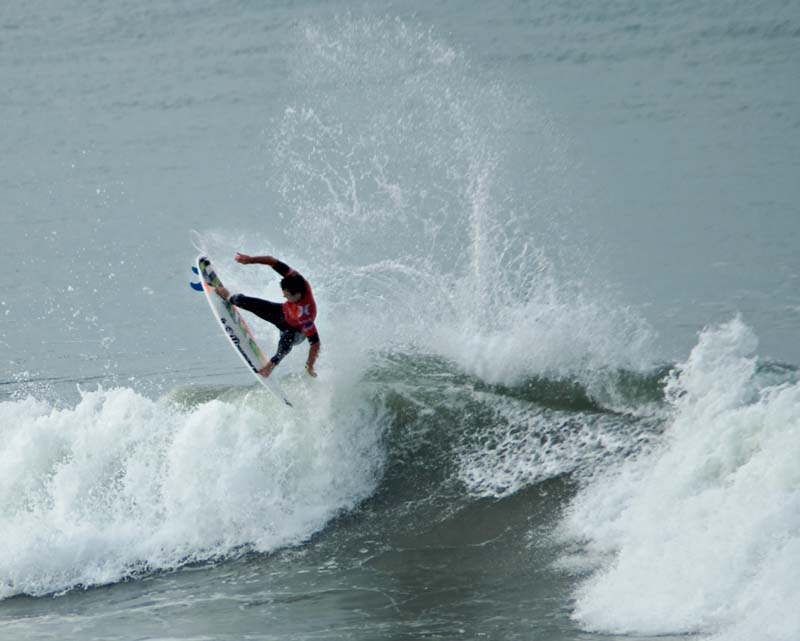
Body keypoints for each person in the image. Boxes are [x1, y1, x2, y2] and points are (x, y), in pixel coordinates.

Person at [214, 252, 320, 378]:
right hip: (282, 313)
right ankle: (230, 297)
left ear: (297, 294)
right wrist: (250, 259)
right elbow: (272, 261)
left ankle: (270, 366)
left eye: (286, 295)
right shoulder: (295, 278)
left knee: (287, 339)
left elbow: (315, 343)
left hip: (297, 331)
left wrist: (310, 365)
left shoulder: (305, 317)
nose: (283, 296)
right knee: (247, 302)